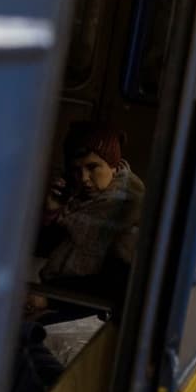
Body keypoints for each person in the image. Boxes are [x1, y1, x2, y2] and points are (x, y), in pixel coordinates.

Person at [34, 122, 146, 317]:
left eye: (92, 167)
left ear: (113, 164)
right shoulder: (79, 200)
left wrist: (48, 299)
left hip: (89, 309)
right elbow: (49, 247)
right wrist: (52, 212)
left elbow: (114, 285)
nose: (84, 178)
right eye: (76, 170)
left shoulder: (128, 207)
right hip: (57, 293)